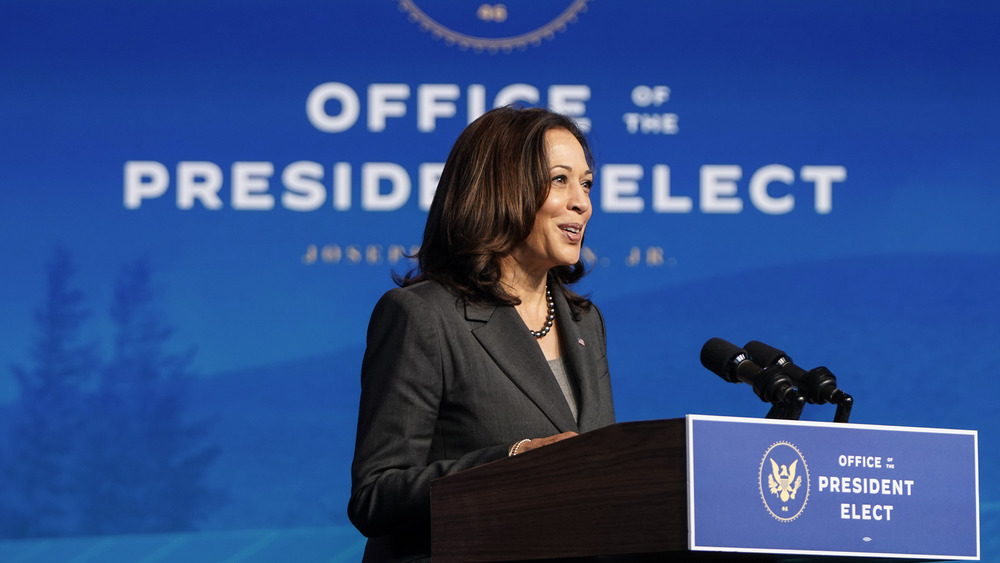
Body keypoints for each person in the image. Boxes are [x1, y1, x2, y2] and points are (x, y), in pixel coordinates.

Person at [348, 106, 616, 562]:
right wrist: (512, 461)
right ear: (500, 188)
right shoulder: (423, 316)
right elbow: (377, 495)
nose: (582, 202)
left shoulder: (584, 321)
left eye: (586, 183)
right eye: (560, 180)